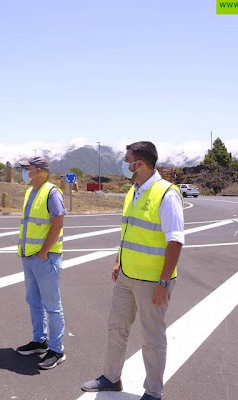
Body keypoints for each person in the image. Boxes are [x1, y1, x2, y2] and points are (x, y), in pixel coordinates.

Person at [81, 141, 184, 400]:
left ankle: (153, 392)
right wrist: (118, 260)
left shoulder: (166, 193)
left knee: (152, 339)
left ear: (140, 163)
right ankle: (111, 378)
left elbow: (175, 241)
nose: (125, 164)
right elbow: (128, 233)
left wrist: (163, 283)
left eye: (128, 160)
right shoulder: (134, 191)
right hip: (127, 275)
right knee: (116, 328)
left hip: (152, 281)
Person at [15, 156, 67, 370]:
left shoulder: (52, 192)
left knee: (52, 306)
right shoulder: (30, 192)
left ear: (37, 170)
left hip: (45, 258)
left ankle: (57, 349)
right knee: (33, 300)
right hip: (30, 257)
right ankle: (39, 341)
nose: (24, 171)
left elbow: (58, 224)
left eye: (26, 168)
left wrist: (44, 252)